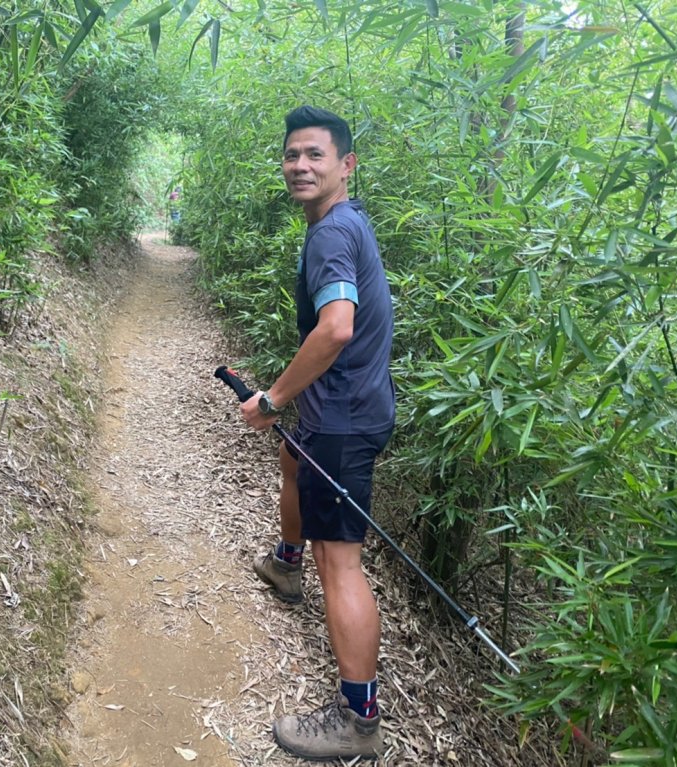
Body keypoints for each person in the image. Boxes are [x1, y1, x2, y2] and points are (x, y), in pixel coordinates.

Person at [238, 105, 395, 761]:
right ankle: (286, 561)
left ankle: (359, 718)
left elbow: (334, 328)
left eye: (315, 155)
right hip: (349, 408)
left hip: (343, 418)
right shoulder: (347, 223)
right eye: (292, 154)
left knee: (344, 561)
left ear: (346, 165)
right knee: (289, 457)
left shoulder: (331, 233)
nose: (300, 165)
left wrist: (273, 395)